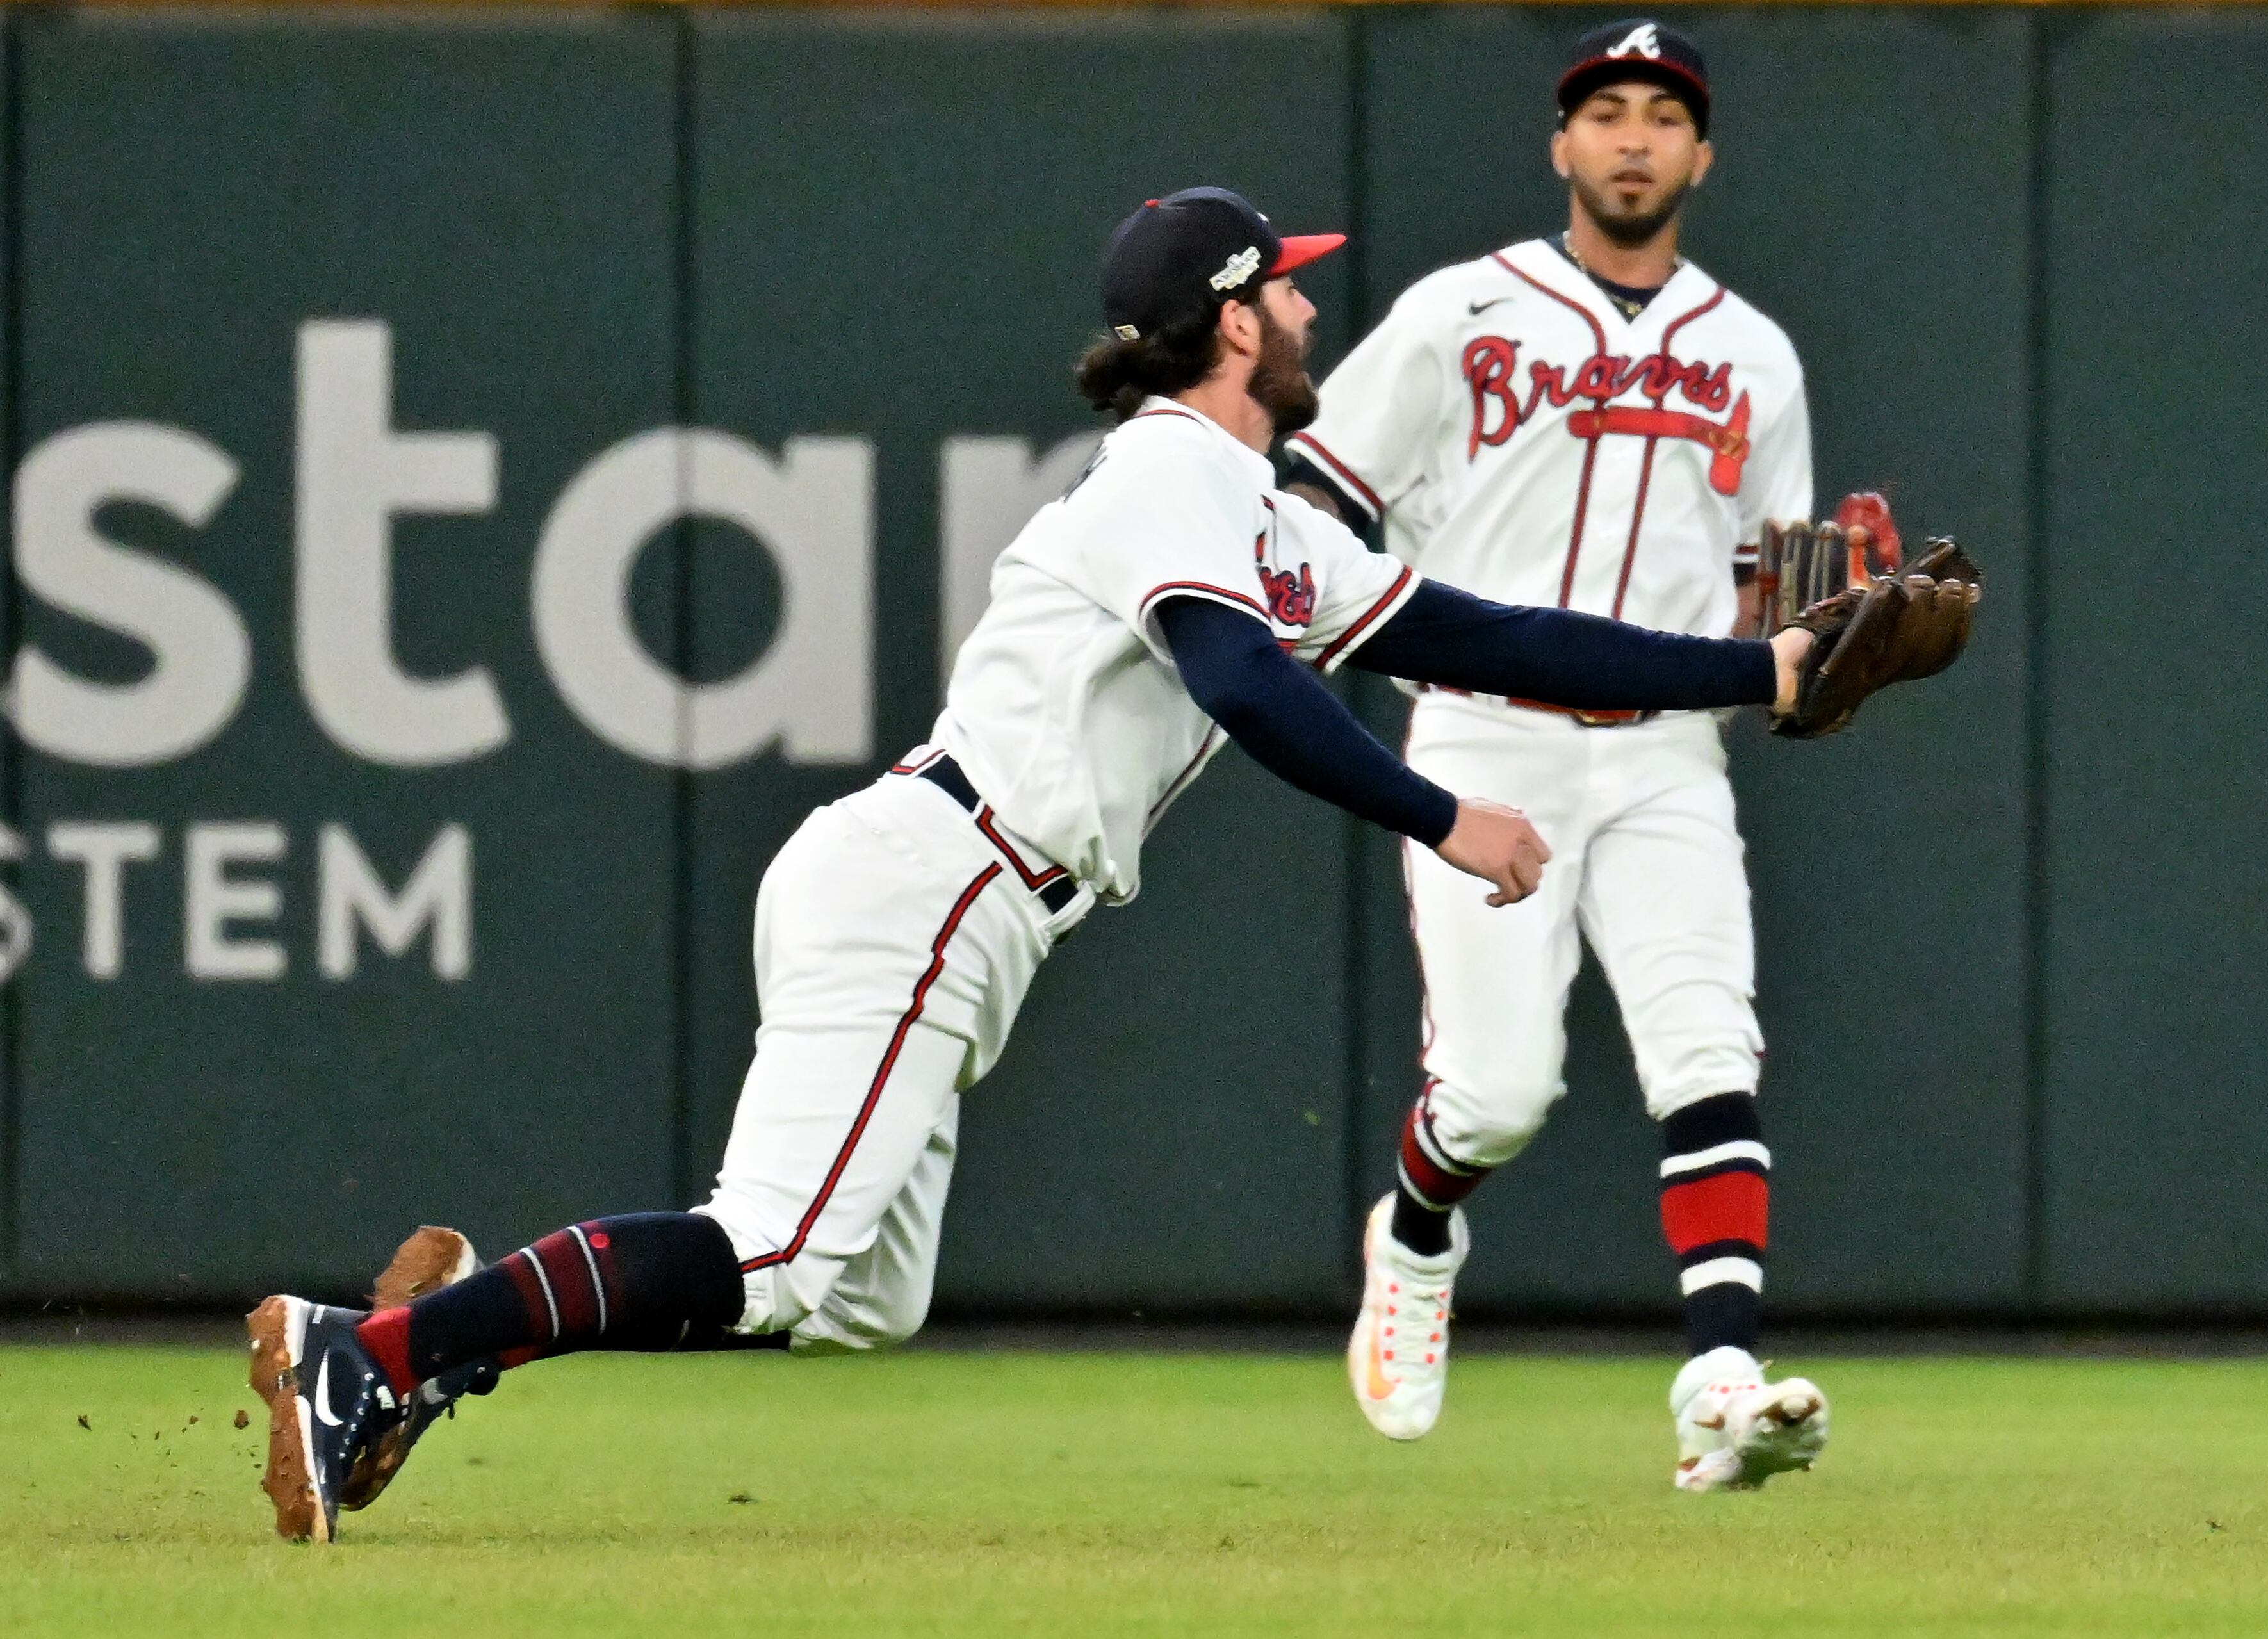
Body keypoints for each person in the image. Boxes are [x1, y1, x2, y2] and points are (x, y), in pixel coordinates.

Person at [247, 184, 1842, 1542]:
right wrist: (1443, 818)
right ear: (1232, 325)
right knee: (781, 1250)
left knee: (857, 1295)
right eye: (1285, 289)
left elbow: (1490, 632)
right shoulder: (1172, 471)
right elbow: (1238, 679)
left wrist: (1758, 671)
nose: (1305, 313)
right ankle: (381, 1352)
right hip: (942, 878)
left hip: (956, 891)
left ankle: (436, 1327)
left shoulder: (1264, 507)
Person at [1285, 20, 1835, 1490]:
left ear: (1702, 155)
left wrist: (1822, 637)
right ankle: (1414, 1227)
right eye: (1608, 111)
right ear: (1562, 145)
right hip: (1486, 735)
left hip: (1665, 752)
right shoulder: (1464, 310)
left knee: (1708, 1044)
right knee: (1500, 1093)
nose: (1636, 136)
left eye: (1664, 114)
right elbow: (1318, 493)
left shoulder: (1756, 354)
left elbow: (1765, 588)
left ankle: (1721, 1372)